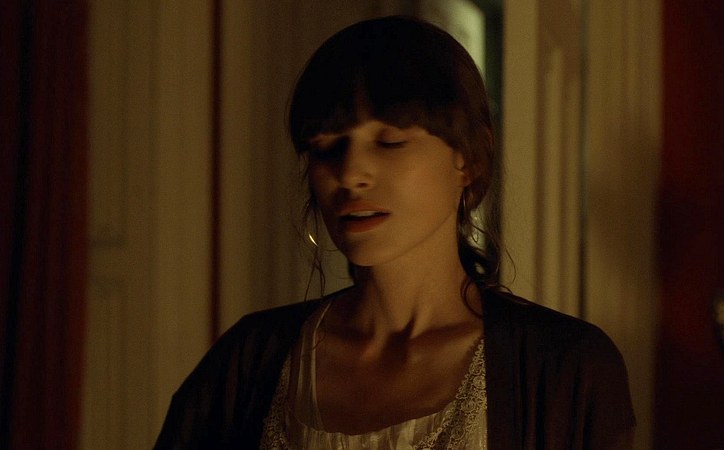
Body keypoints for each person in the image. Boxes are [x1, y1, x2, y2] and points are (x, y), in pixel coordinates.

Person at [154, 15, 635, 449]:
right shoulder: (248, 363)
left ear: (468, 158)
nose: (351, 174)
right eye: (326, 148)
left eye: (389, 142)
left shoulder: (564, 370)